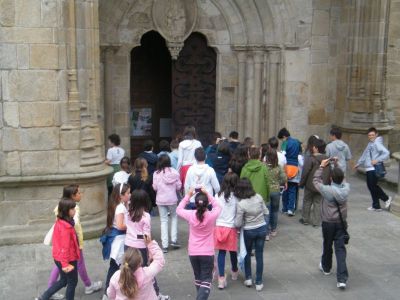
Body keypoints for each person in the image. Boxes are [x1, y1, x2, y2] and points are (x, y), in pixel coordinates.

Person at [47, 185, 102, 300]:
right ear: (72, 196)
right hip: (71, 248)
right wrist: (66, 262)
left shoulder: (63, 210)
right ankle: (88, 285)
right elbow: (67, 242)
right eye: (78, 193)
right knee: (72, 278)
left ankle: (48, 292)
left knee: (62, 274)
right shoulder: (69, 217)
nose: (80, 194)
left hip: (63, 251)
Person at [177, 189, 221, 300]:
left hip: (193, 252)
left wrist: (188, 195)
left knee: (198, 277)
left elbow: (178, 209)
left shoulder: (190, 215)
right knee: (207, 278)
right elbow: (218, 207)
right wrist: (208, 194)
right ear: (207, 203)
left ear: (195, 204)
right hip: (207, 252)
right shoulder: (211, 216)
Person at [313, 159, 350, 290]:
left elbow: (316, 181)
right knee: (340, 250)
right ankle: (342, 279)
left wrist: (321, 166)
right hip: (341, 223)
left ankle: (326, 267)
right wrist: (337, 165)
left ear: (330, 178)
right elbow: (343, 178)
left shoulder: (326, 190)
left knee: (327, 245)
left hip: (328, 223)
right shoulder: (346, 188)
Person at [35, 199, 80, 300]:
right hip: (67, 259)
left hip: (58, 257)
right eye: (72, 209)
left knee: (63, 280)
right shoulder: (66, 227)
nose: (75, 210)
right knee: (72, 282)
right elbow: (65, 247)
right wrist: (65, 264)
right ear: (66, 211)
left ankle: (44, 297)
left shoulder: (61, 222)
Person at [234, 178, 269, 291]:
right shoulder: (258, 197)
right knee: (259, 255)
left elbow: (238, 223)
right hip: (261, 228)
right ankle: (259, 282)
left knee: (247, 254)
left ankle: (248, 278)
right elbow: (266, 212)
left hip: (249, 230)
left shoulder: (241, 204)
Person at [100, 183, 130, 300]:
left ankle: (109, 291)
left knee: (115, 266)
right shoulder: (120, 207)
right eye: (127, 193)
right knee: (115, 266)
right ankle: (108, 292)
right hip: (120, 241)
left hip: (118, 240)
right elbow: (120, 225)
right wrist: (132, 225)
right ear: (120, 196)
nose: (130, 194)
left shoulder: (118, 205)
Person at [355, 127, 392, 211]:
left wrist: (377, 160)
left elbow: (386, 153)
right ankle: (376, 205)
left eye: (372, 135)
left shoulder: (376, 143)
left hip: (373, 168)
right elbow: (365, 154)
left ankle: (386, 199)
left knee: (373, 186)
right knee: (371, 187)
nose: (371, 136)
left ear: (376, 135)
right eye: (369, 135)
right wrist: (359, 163)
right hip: (369, 168)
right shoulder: (370, 144)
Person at [214, 172, 239, 289]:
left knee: (221, 253)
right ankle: (234, 271)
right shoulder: (237, 197)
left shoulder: (217, 196)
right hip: (231, 227)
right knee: (233, 251)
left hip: (219, 226)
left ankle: (221, 279)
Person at [152, 154, 182, 253]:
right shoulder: (174, 172)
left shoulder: (156, 173)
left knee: (163, 221)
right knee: (174, 217)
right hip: (172, 199)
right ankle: (174, 239)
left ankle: (164, 245)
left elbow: (155, 187)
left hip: (160, 199)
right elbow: (178, 187)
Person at [299, 138, 330, 227]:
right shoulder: (327, 159)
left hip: (310, 184)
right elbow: (329, 173)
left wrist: (301, 183)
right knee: (318, 203)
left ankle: (305, 219)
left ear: (316, 148)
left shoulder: (311, 158)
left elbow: (305, 172)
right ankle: (316, 222)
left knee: (307, 201)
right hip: (321, 186)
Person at [265, 148, 287, 239]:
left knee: (266, 211)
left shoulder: (264, 166)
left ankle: (266, 233)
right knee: (274, 211)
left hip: (266, 191)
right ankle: (273, 230)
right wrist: (278, 182)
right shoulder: (278, 167)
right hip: (276, 191)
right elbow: (284, 178)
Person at [277, 128, 300, 216]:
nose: (282, 140)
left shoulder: (285, 143)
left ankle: (285, 208)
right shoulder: (297, 142)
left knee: (285, 188)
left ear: (284, 136)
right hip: (295, 167)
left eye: (281, 138)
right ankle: (291, 209)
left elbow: (282, 155)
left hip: (286, 167)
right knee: (292, 189)